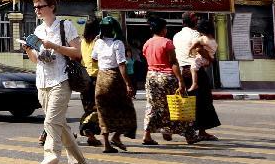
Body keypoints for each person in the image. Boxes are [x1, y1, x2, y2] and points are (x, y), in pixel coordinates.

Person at [22, 0, 89, 164]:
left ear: (51, 6)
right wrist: (28, 50)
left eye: (40, 6)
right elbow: (36, 60)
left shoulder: (65, 25)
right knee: (60, 125)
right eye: (35, 7)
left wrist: (55, 46)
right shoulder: (37, 30)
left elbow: (77, 53)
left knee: (51, 123)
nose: (37, 10)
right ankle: (78, 161)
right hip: (42, 82)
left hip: (61, 80)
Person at [141, 16, 197, 145]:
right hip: (167, 77)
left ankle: (147, 135)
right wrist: (180, 80)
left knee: (153, 105)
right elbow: (173, 63)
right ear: (163, 29)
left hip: (151, 77)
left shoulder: (147, 43)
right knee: (179, 103)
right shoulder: (167, 43)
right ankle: (189, 135)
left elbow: (147, 59)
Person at [92, 16, 137, 153]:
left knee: (103, 112)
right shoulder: (118, 43)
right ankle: (117, 136)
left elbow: (93, 59)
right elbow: (121, 65)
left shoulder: (98, 42)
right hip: (114, 79)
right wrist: (128, 85)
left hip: (101, 79)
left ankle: (106, 144)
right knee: (126, 109)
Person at [173, 13, 221, 141]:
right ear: (194, 22)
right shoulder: (196, 35)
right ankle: (201, 131)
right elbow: (199, 49)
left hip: (183, 70)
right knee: (203, 101)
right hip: (196, 70)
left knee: (186, 101)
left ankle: (186, 129)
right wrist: (210, 58)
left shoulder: (176, 36)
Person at [78, 16, 102, 147]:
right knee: (96, 107)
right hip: (95, 77)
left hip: (84, 77)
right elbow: (96, 58)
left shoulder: (82, 41)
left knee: (88, 106)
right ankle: (86, 128)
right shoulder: (98, 41)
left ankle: (91, 135)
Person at [187, 19, 218, 93]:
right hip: (208, 60)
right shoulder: (213, 41)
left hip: (202, 58)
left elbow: (196, 45)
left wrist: (190, 49)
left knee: (193, 69)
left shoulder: (203, 39)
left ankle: (194, 83)